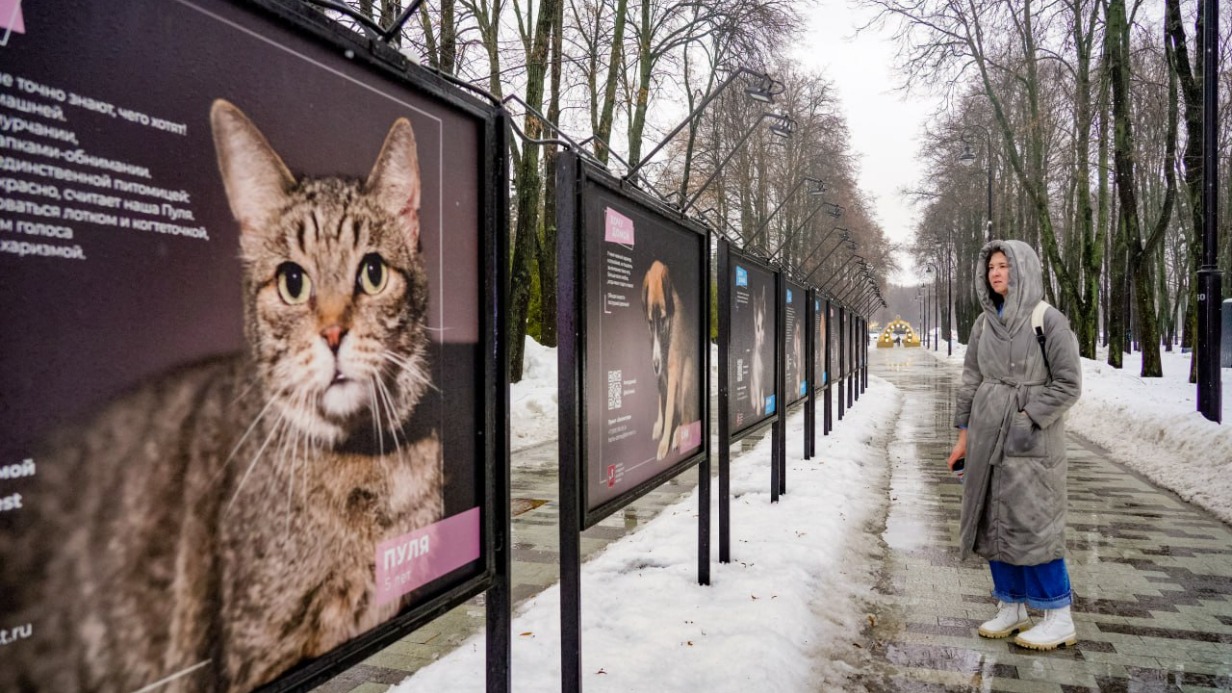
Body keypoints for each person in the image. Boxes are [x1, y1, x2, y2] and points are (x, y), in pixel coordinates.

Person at [946, 239, 1082, 651]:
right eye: (991, 267)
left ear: (1023, 269)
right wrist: (964, 435)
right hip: (987, 436)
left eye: (1004, 265)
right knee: (993, 520)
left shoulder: (1049, 320)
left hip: (1032, 443)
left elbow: (1069, 384)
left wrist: (1027, 416)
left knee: (1034, 523)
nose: (996, 273)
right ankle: (1012, 605)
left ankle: (1058, 615)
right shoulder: (983, 323)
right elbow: (970, 379)